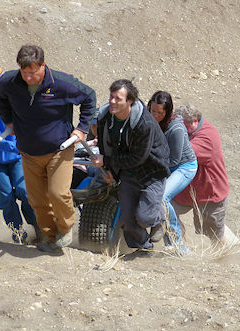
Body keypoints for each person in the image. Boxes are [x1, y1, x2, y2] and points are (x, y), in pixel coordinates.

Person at [0, 45, 97, 252]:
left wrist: (82, 129)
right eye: (24, 72)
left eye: (33, 72)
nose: (28, 77)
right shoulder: (10, 82)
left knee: (57, 193)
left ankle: (66, 228)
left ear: (43, 65)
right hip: (29, 153)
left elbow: (89, 97)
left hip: (58, 150)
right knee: (37, 200)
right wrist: (9, 121)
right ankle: (51, 238)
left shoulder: (61, 84)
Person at [92, 80, 170, 254]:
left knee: (144, 217)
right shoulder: (105, 117)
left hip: (152, 171)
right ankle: (142, 247)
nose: (112, 101)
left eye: (118, 99)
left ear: (130, 101)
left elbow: (138, 157)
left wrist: (107, 161)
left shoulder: (145, 123)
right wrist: (110, 171)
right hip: (128, 171)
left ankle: (158, 218)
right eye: (111, 97)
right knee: (128, 220)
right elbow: (105, 146)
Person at [0, 66, 40, 243]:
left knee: (25, 191)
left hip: (18, 157)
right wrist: (11, 145)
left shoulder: (17, 96)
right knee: (6, 197)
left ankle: (37, 227)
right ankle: (18, 233)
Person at [148, 91, 197, 254]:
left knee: (161, 197)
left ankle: (178, 243)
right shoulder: (150, 120)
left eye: (159, 113)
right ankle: (168, 243)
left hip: (184, 166)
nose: (155, 115)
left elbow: (174, 161)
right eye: (152, 111)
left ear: (167, 112)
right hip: (164, 163)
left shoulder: (176, 128)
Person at [172, 104, 230, 244]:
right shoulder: (190, 131)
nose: (181, 130)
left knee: (214, 235)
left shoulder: (207, 137)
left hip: (210, 194)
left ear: (195, 121)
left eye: (184, 125)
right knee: (166, 210)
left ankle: (224, 259)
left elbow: (183, 154)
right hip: (187, 190)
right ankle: (180, 246)